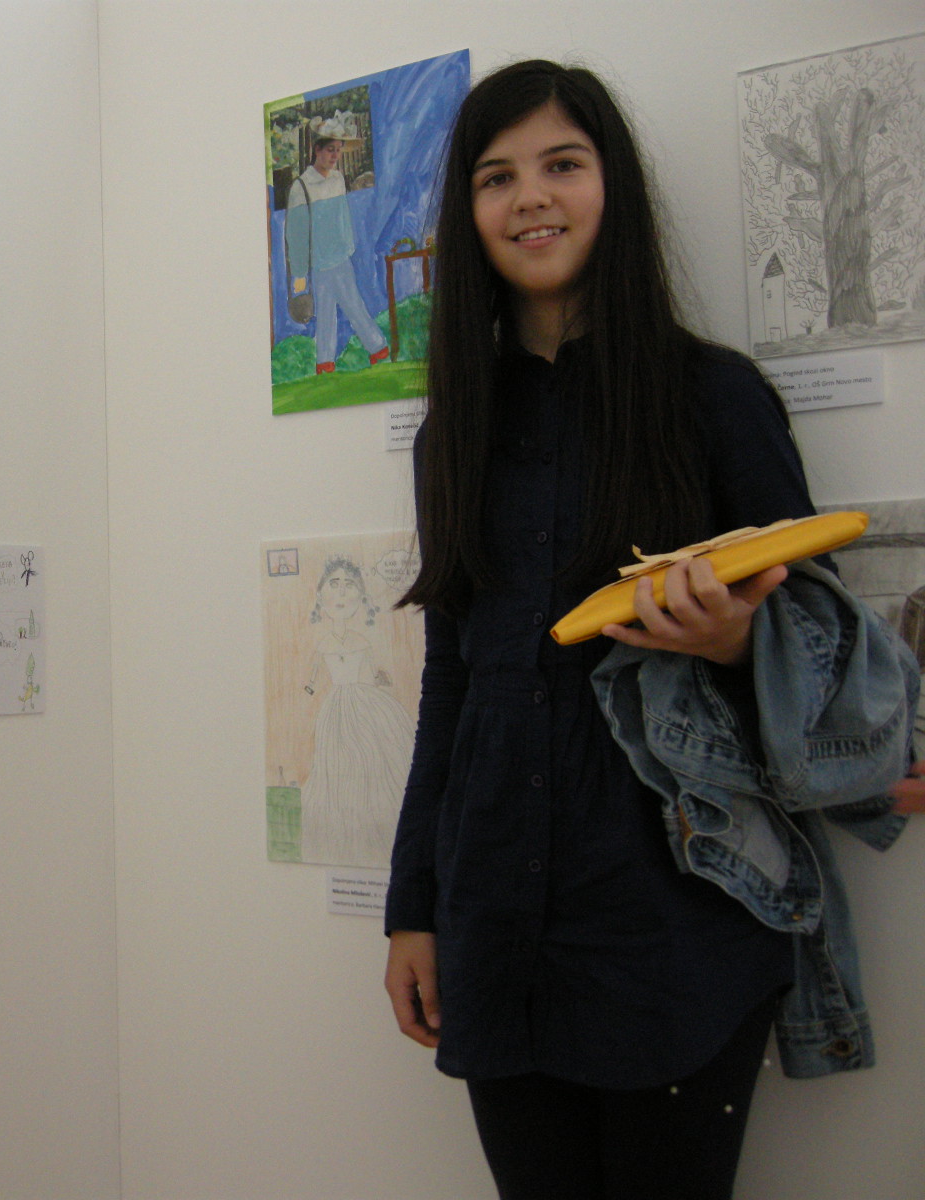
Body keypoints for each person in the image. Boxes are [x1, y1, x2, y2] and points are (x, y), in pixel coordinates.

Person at [380, 61, 913, 1200]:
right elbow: (450, 683)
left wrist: (728, 643)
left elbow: (818, 650)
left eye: (561, 164)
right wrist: (411, 910)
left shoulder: (712, 396)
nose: (531, 196)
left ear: (610, 185)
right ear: (467, 214)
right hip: (496, 920)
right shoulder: (452, 434)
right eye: (496, 176)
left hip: (679, 916)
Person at [298, 556, 415, 866]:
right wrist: (307, 691)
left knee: (371, 760)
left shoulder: (362, 641)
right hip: (336, 706)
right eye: (334, 584)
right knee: (337, 763)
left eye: (349, 585)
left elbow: (374, 673)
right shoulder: (323, 644)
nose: (341, 592)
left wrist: (382, 681)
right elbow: (312, 679)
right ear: (321, 594)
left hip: (364, 701)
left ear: (361, 597)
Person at [284, 115, 391, 376]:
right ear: (317, 150)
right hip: (318, 263)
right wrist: (300, 273)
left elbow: (343, 218)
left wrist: (347, 246)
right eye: (330, 149)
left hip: (340, 257)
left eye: (338, 150)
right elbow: (296, 233)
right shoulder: (301, 187)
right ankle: (370, 351)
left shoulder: (338, 180)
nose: (335, 155)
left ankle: (338, 360)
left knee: (349, 305)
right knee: (329, 312)